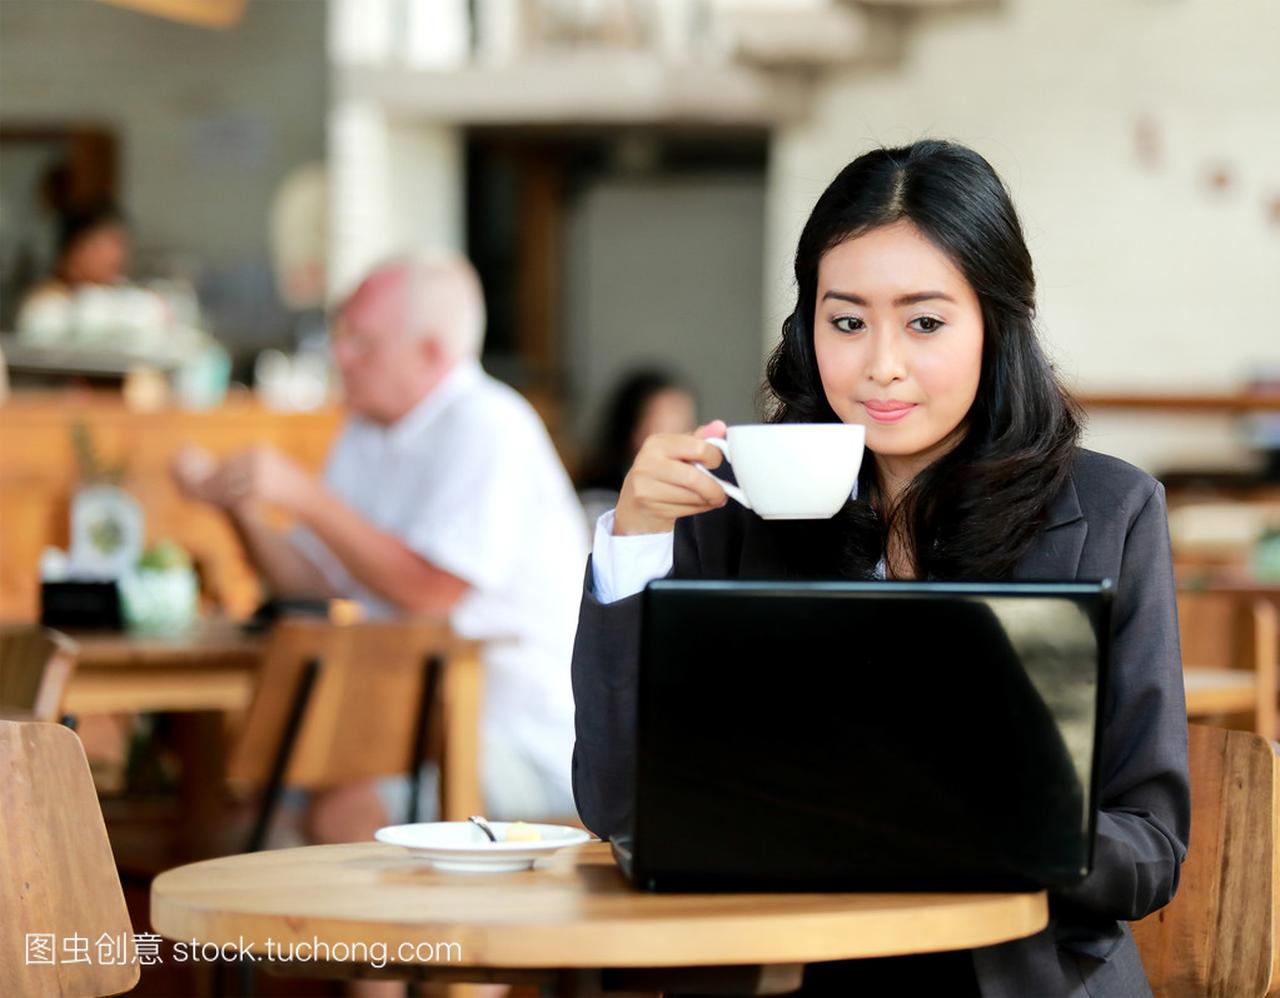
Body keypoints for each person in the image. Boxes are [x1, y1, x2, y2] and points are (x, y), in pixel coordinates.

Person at [570, 141, 1189, 996]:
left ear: (996, 324)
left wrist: (1000, 825)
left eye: (926, 322)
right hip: (780, 971)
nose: (880, 364)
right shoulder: (731, 505)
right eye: (847, 320)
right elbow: (618, 807)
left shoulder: (1110, 512)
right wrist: (635, 540)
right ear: (808, 324)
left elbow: (1150, 847)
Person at [174, 252, 588, 833]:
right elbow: (312, 585)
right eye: (340, 337)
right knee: (243, 815)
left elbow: (430, 591)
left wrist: (305, 496)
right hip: (403, 722)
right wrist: (237, 506)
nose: (340, 356)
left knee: (341, 813)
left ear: (434, 352)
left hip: (518, 738)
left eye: (362, 343)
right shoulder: (368, 428)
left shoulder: (488, 424)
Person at [576, 368, 697, 531]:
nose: (682, 444)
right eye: (666, 430)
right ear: (632, 430)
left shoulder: (698, 511)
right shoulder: (598, 508)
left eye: (686, 429)